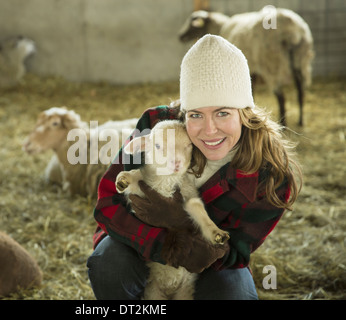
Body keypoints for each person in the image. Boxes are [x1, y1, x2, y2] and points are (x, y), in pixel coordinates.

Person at [86, 34, 302, 300]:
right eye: (196, 115)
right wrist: (164, 242)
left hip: (210, 264)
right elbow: (108, 202)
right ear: (184, 113)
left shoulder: (268, 173)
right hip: (141, 248)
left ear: (245, 112)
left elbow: (238, 251)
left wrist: (185, 226)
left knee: (235, 295)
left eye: (223, 112)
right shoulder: (158, 125)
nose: (209, 130)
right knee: (108, 262)